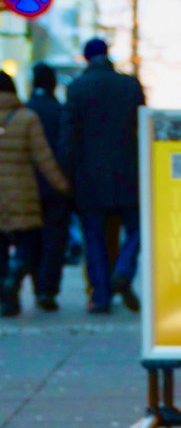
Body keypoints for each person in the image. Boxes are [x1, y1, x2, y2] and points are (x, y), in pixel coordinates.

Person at [65, 37, 145, 315]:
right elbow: (143, 127)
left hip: (90, 178)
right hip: (129, 174)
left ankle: (100, 296)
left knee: (95, 238)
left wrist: (68, 177)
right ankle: (123, 270)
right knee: (137, 230)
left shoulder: (77, 89)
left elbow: (69, 138)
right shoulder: (129, 86)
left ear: (86, 58)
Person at [0, 69, 70, 316]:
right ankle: (17, 272)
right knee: (28, 242)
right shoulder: (26, 117)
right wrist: (62, 185)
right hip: (23, 192)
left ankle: (7, 301)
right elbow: (44, 158)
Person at [27, 63, 72, 310]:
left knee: (33, 240)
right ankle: (48, 289)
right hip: (56, 187)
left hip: (27, 187)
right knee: (55, 240)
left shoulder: (24, 111)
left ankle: (36, 285)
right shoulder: (59, 111)